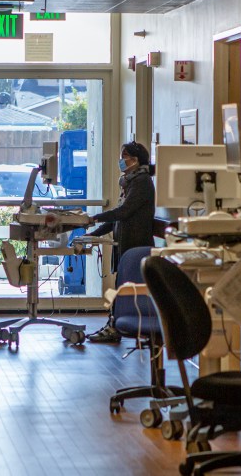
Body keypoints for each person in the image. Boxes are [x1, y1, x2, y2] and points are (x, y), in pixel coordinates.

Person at [84, 141, 155, 342]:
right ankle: (113, 325)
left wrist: (95, 218)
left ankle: (116, 327)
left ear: (136, 160)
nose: (121, 161)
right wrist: (95, 234)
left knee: (128, 287)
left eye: (125, 156)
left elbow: (123, 212)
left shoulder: (142, 182)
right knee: (121, 285)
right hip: (124, 243)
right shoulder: (130, 182)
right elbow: (118, 217)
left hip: (136, 245)